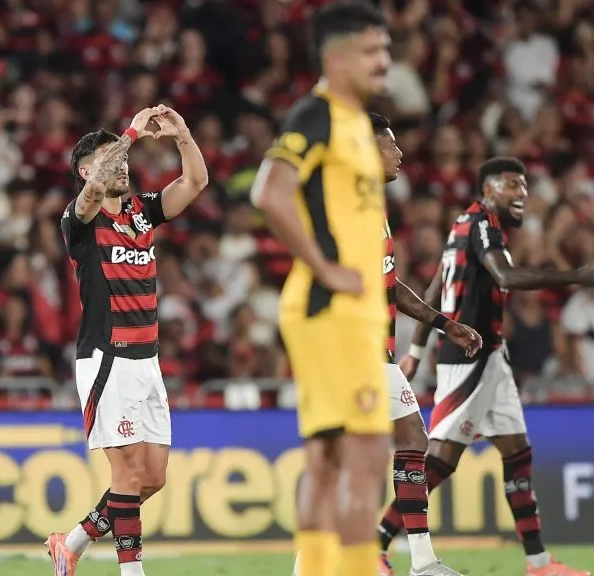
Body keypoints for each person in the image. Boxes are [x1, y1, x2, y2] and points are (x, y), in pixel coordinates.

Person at [290, 113, 483, 576]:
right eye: (390, 145)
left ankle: (421, 561)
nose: (400, 153)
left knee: (407, 440)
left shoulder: (371, 205)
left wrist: (445, 324)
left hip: (374, 350)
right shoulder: (341, 203)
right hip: (346, 347)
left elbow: (389, 284)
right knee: (341, 459)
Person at [390, 157, 592, 576]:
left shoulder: (464, 225)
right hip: (470, 357)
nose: (522, 193)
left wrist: (418, 348)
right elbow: (506, 277)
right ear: (488, 189)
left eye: (524, 186)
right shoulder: (482, 223)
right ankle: (378, 542)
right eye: (512, 185)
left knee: (517, 452)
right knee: (439, 460)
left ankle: (538, 562)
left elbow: (437, 284)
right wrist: (577, 275)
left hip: (489, 355)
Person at [250, 3, 393, 575]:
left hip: (339, 314)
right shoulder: (319, 115)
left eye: (385, 49)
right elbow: (270, 192)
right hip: (334, 310)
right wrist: (326, 269)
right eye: (371, 51)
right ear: (337, 59)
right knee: (366, 455)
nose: (384, 61)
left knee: (328, 460)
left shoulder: (356, 123)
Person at [46, 104, 209, 576]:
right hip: (107, 358)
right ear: (85, 172)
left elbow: (195, 182)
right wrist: (132, 133)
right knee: (128, 474)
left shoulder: (142, 213)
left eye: (123, 160)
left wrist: (182, 135)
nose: (122, 166)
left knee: (152, 478)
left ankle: (71, 542)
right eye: (110, 160)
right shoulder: (80, 220)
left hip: (147, 360)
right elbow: (95, 190)